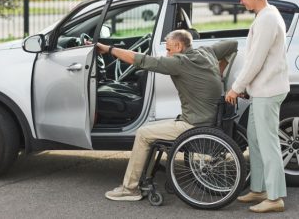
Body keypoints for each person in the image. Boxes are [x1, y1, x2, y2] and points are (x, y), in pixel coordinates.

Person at [95, 29, 238, 201]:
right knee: (153, 129)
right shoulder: (206, 52)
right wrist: (220, 70)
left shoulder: (179, 62)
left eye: (169, 49)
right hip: (210, 119)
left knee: (143, 133)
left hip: (194, 125)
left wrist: (108, 49)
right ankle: (141, 179)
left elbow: (139, 60)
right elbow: (233, 45)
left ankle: (130, 189)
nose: (166, 53)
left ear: (178, 46)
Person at [225, 0, 289, 213]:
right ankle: (260, 188)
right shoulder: (266, 16)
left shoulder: (267, 19)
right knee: (255, 138)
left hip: (267, 91)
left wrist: (236, 88)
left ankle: (275, 198)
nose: (241, 1)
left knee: (268, 142)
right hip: (262, 89)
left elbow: (255, 62)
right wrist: (247, 88)